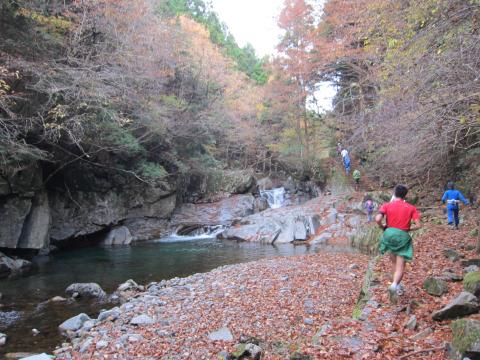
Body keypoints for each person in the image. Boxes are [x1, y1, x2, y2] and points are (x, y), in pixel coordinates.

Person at [375, 184, 421, 302]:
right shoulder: (411, 208)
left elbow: (378, 219)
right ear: (405, 195)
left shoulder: (386, 205)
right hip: (402, 236)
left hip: (389, 234)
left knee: (394, 263)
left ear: (394, 193)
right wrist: (407, 229)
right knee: (400, 266)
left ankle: (398, 284)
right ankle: (394, 285)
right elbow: (419, 225)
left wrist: (383, 227)